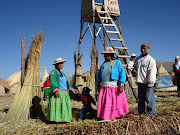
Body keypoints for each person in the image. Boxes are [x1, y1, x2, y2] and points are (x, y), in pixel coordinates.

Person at [96, 47, 129, 120]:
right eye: (104, 55)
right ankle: (106, 116)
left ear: (110, 55)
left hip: (114, 87)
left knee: (114, 102)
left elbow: (122, 74)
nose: (104, 56)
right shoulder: (103, 64)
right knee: (106, 103)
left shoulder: (117, 63)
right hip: (105, 87)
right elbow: (99, 75)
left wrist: (121, 85)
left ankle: (115, 115)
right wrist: (98, 84)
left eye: (106, 55)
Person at [46, 58, 77, 123]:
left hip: (64, 92)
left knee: (63, 107)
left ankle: (63, 119)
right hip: (59, 92)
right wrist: (56, 91)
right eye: (60, 63)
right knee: (58, 107)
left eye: (62, 63)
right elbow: (53, 82)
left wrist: (72, 89)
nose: (62, 65)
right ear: (56, 64)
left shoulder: (62, 73)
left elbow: (66, 83)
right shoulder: (53, 72)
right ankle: (57, 120)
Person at [132, 43, 157, 116]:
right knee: (140, 99)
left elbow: (152, 72)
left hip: (147, 84)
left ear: (148, 50)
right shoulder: (138, 59)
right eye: (141, 48)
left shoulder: (150, 60)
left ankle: (151, 113)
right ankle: (141, 112)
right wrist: (133, 71)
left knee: (149, 99)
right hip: (140, 82)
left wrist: (150, 84)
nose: (142, 50)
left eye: (144, 48)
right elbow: (134, 67)